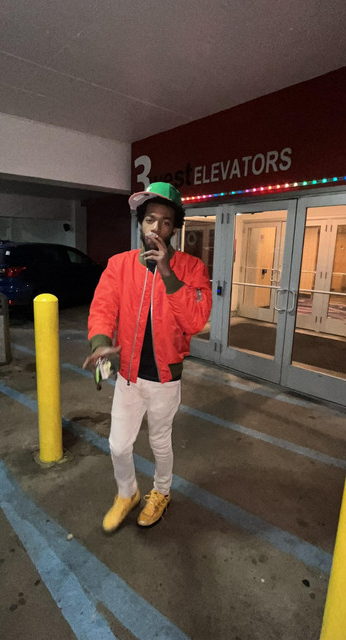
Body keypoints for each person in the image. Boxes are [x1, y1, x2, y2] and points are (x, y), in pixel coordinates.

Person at [83, 182, 212, 532]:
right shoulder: (120, 265)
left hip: (165, 378)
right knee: (118, 445)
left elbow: (195, 321)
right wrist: (100, 344)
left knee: (159, 442)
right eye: (151, 219)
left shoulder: (191, 268)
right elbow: (103, 309)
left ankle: (161, 492)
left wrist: (167, 273)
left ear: (174, 229)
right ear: (140, 224)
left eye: (166, 222)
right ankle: (127, 493)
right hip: (128, 374)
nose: (157, 228)